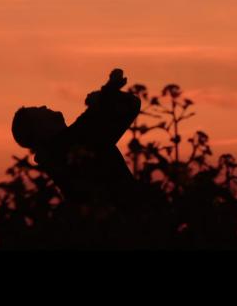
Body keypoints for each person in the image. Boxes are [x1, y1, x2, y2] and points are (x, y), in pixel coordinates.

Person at [11, 69, 141, 204]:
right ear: (39, 129)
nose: (44, 106)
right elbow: (131, 105)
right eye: (38, 110)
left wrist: (105, 95)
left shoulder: (59, 153)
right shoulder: (75, 139)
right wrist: (106, 93)